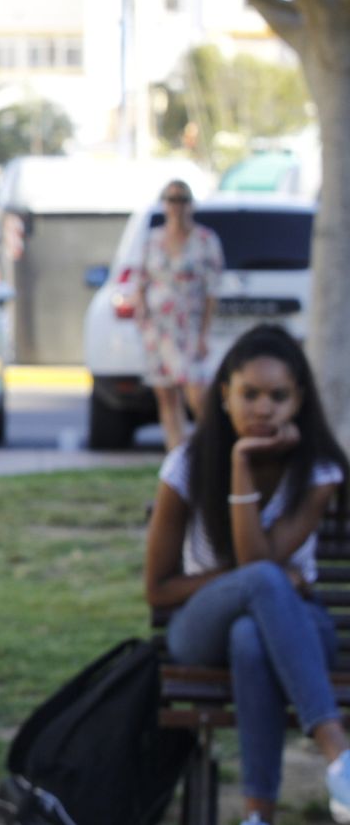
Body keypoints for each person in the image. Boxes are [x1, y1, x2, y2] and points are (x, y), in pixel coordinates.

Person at [144, 323, 350, 825]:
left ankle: (258, 816)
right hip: (197, 627)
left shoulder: (318, 470)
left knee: (250, 636)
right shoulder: (186, 467)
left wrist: (263, 582)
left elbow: (259, 555)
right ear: (224, 396)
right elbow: (159, 589)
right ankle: (339, 755)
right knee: (262, 583)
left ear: (299, 399)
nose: (263, 408)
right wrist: (239, 462)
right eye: (250, 394)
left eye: (278, 396)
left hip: (301, 627)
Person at [134, 178, 225, 450]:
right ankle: (176, 456)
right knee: (166, 396)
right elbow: (141, 280)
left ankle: (211, 449)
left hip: (189, 327)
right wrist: (141, 316)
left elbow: (212, 290)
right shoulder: (153, 240)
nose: (177, 205)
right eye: (171, 199)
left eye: (183, 199)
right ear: (164, 204)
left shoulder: (205, 240)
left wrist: (204, 334)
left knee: (197, 395)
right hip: (158, 328)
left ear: (191, 204)